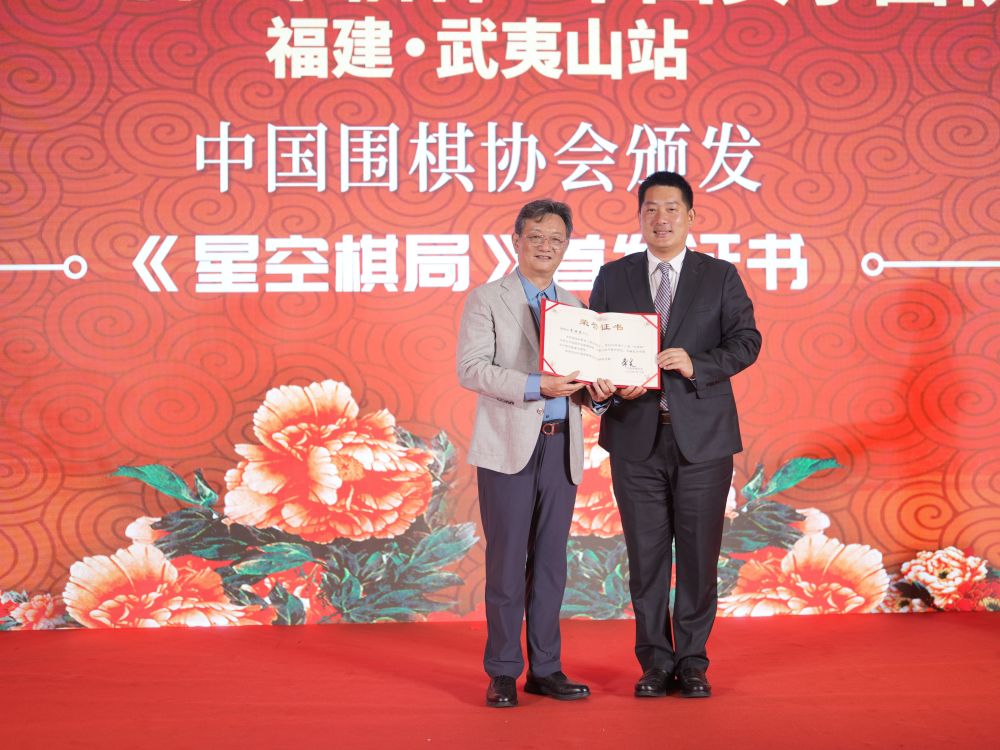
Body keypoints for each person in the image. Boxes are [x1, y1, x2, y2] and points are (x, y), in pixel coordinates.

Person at [589, 171, 761, 699]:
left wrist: (695, 363)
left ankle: (692, 660)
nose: (660, 219)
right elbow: (593, 348)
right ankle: (654, 662)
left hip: (703, 440)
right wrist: (600, 386)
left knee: (698, 555)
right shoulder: (613, 276)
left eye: (671, 209)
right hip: (634, 437)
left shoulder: (719, 275)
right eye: (650, 209)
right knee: (645, 558)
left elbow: (747, 341)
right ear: (639, 216)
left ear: (690, 216)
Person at [457, 199, 613, 708]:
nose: (546, 247)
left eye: (556, 239)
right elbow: (471, 369)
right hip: (508, 447)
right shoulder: (487, 299)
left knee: (550, 564)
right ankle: (503, 670)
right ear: (517, 241)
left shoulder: (577, 308)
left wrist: (602, 393)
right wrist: (535, 384)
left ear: (566, 247)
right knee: (506, 563)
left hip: (561, 447)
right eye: (537, 237)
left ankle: (546, 668)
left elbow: (584, 387)